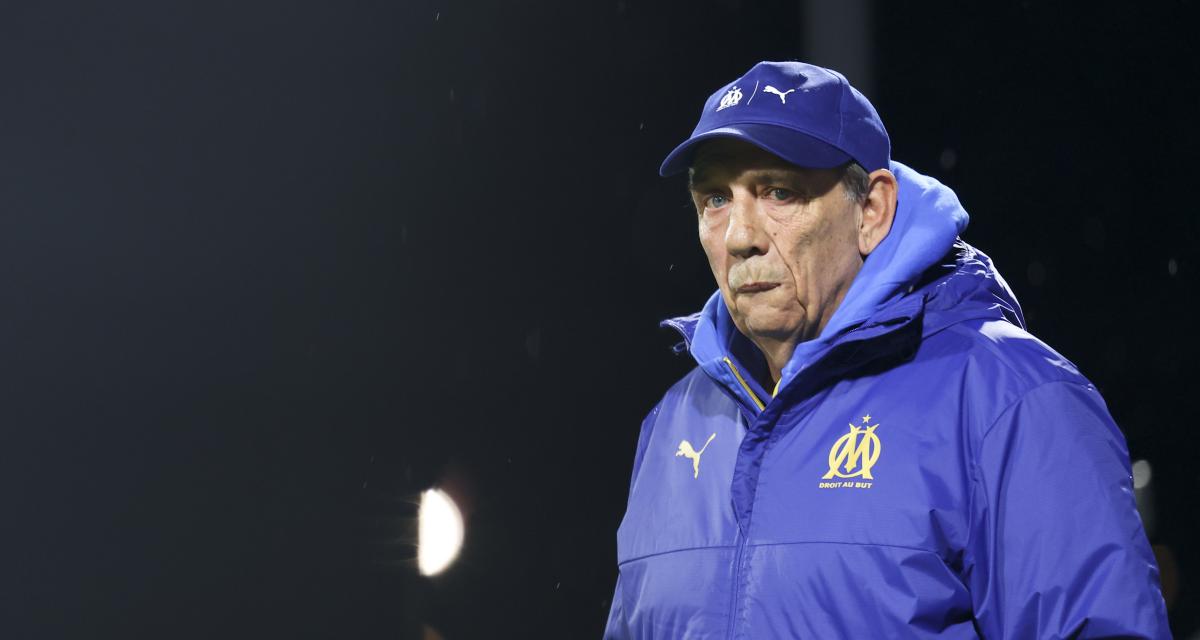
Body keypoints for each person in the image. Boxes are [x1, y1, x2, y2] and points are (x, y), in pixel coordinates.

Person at [603, 61, 1169, 638]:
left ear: (872, 210)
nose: (740, 236)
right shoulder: (675, 423)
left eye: (779, 191)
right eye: (715, 198)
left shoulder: (1012, 400)